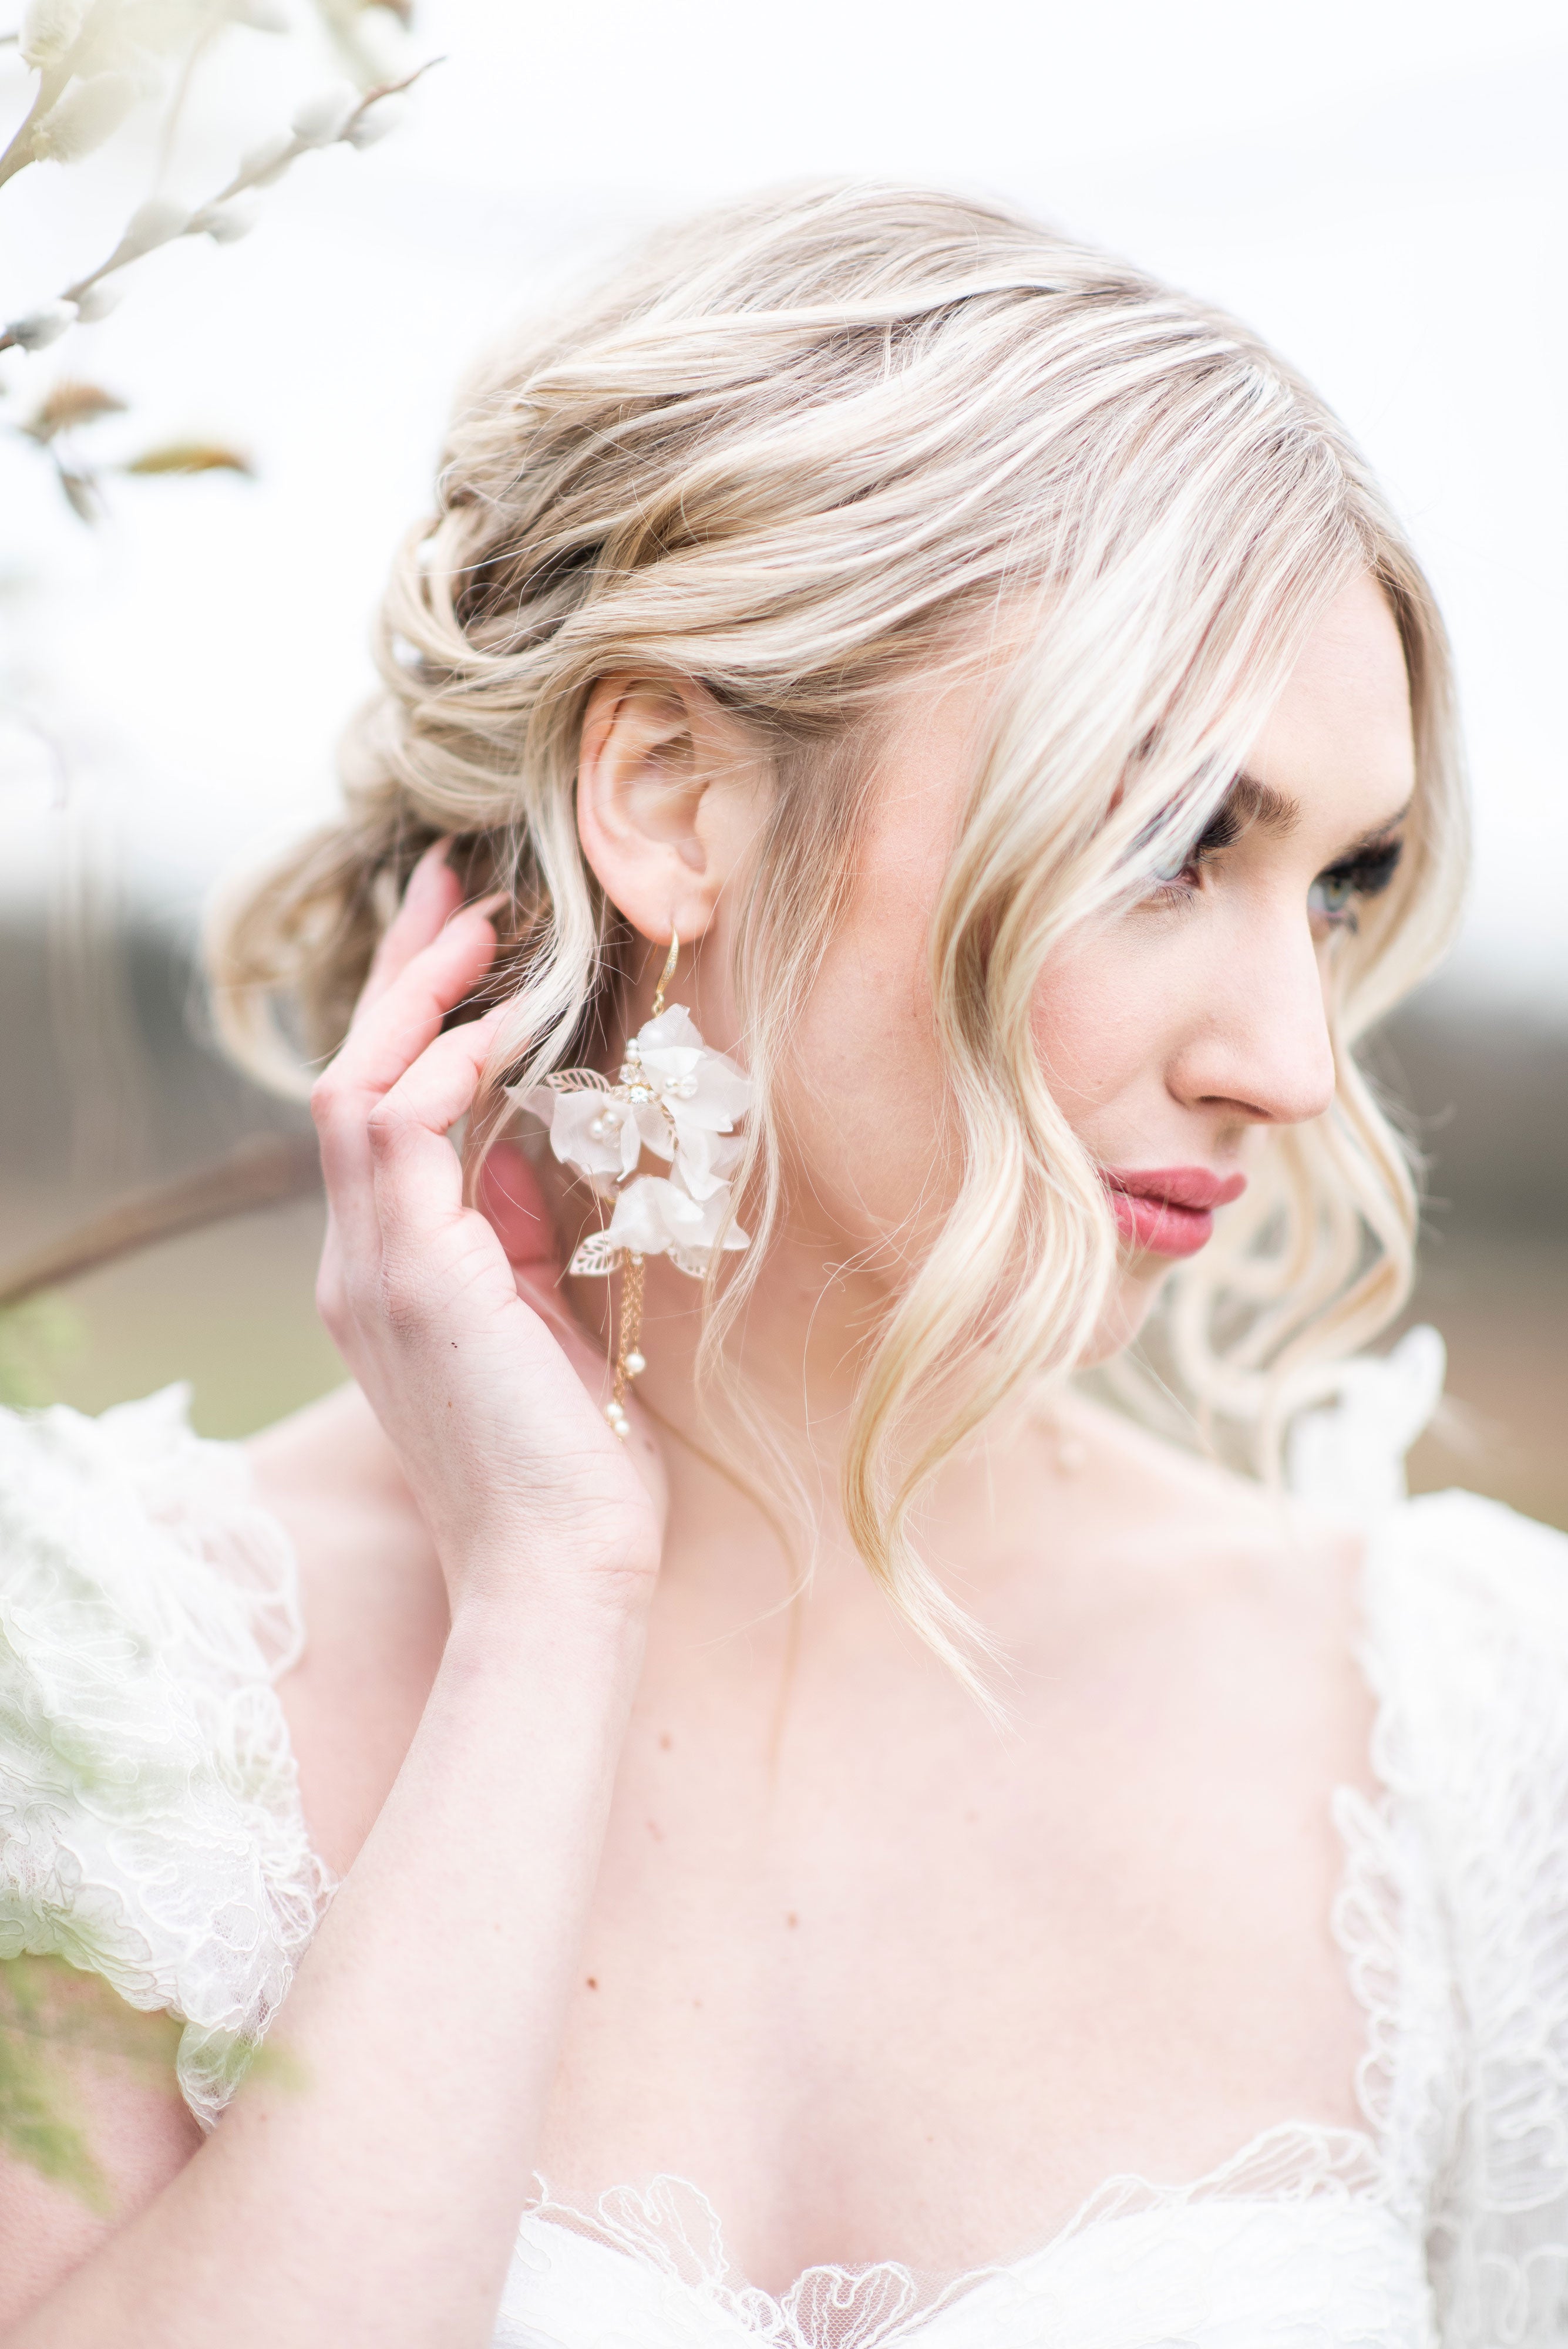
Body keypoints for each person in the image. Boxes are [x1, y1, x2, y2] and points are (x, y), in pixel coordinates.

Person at [1, 181, 1563, 2349]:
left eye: (1337, 881)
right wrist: (546, 1607)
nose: (1293, 1063)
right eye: (1171, 840)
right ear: (668, 797)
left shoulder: (1481, 1739)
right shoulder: (82, 1687)